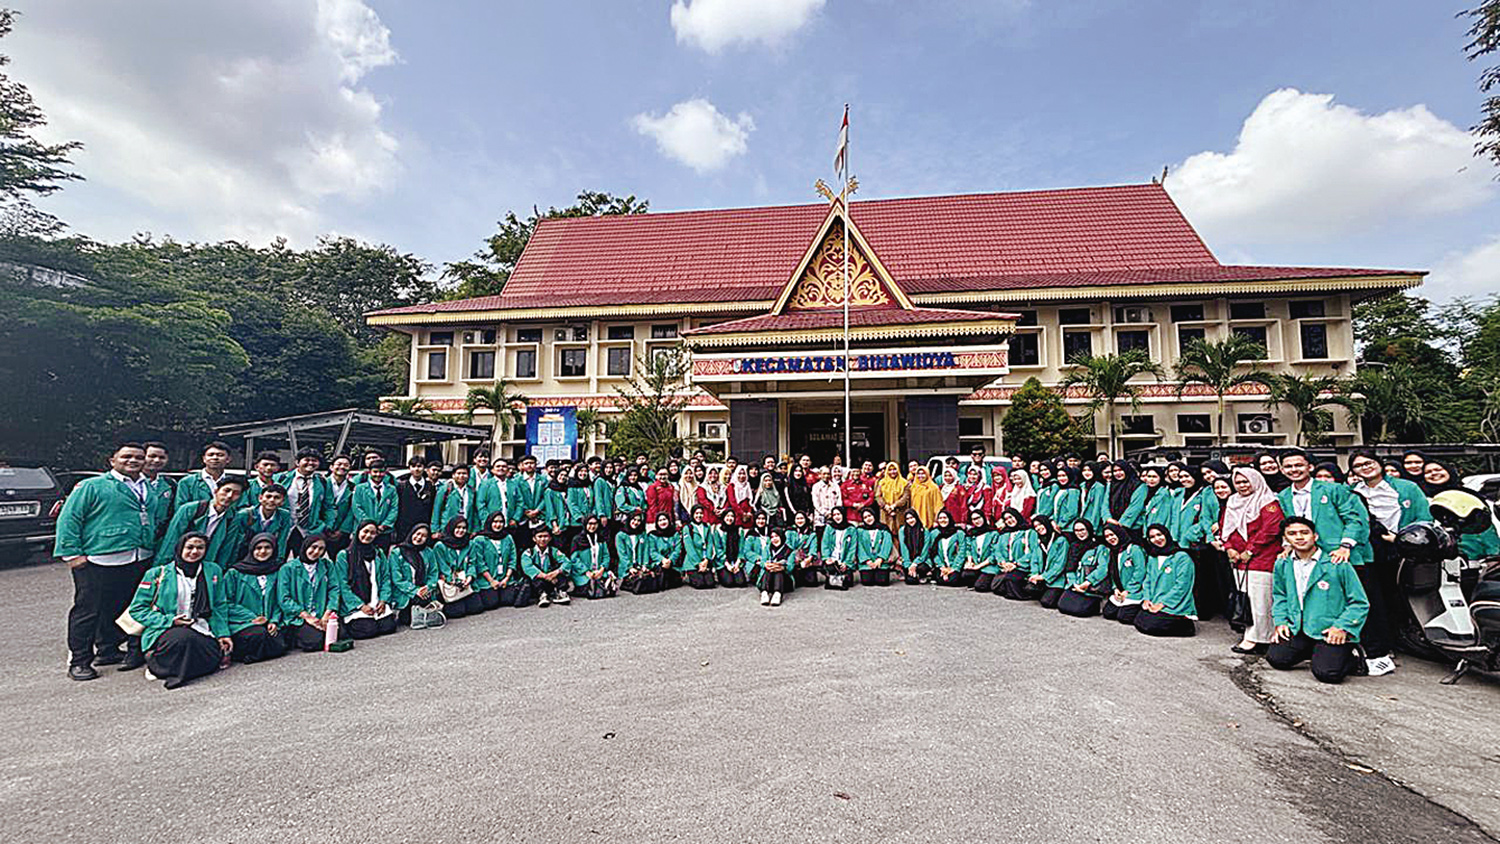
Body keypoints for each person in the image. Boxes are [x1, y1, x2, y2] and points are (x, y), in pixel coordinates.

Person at [54, 443, 160, 680]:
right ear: (112, 460)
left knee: (119, 607)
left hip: (137, 556)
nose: (133, 461)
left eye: (139, 457)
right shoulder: (92, 486)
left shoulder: (147, 487)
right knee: (88, 610)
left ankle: (108, 649)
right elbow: (70, 518)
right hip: (98, 558)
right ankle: (79, 660)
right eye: (127, 456)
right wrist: (71, 553)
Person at [1348, 448, 1431, 675]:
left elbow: (1424, 517)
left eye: (1369, 463)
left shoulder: (1406, 487)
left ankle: (1403, 639)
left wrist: (1402, 538)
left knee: (1398, 596)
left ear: (1379, 463)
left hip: (1400, 547)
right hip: (1368, 550)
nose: (1365, 468)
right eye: (1358, 465)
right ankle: (1384, 644)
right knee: (1375, 597)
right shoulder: (1352, 492)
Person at [1267, 517, 1370, 684]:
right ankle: (1317, 652)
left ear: (1315, 536)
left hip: (1330, 629)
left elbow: (1359, 603)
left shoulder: (1337, 563)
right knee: (1277, 658)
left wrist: (1342, 627)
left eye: (1304, 533)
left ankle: (1351, 656)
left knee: (1328, 674)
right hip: (1300, 627)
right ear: (1285, 539)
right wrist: (1281, 622)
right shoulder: (1283, 563)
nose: (1299, 537)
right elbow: (1280, 595)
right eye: (1292, 534)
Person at [125, 532, 233, 689]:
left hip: (201, 626)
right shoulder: (157, 574)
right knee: (183, 638)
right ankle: (164, 667)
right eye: (189, 547)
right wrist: (170, 621)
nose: (194, 551)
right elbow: (137, 609)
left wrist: (223, 634)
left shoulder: (213, 570)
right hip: (165, 629)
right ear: (180, 548)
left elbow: (219, 605)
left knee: (212, 653)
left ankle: (172, 667)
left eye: (200, 548)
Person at [1219, 468, 1284, 654]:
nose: (1242, 486)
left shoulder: (1268, 501)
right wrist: (1229, 547)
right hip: (1238, 558)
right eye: (1238, 483)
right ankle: (1251, 633)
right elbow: (1225, 526)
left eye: (1246, 481)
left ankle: (1258, 638)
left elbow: (1271, 529)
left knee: (1260, 599)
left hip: (1261, 558)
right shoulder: (1233, 501)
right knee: (1246, 598)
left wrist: (1250, 550)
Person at [221, 532, 288, 663]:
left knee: (280, 640)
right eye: (258, 548)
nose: (262, 552)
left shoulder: (277, 571)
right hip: (241, 622)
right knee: (259, 636)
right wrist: (251, 617)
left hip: (268, 621)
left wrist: (274, 620)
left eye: (267, 548)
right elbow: (225, 602)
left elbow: (279, 600)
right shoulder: (235, 573)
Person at [157, 474, 248, 570]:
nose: (229, 496)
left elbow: (226, 550)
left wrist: (218, 571)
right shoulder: (190, 510)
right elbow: (171, 540)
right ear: (216, 491)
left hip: (207, 566)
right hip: (180, 563)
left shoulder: (233, 518)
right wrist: (162, 569)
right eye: (226, 490)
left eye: (236, 493)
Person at [275, 533, 340, 652]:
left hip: (321, 613)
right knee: (315, 641)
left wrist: (328, 613)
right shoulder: (288, 568)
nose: (316, 552)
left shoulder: (327, 565)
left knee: (340, 634)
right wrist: (306, 616)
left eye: (321, 549)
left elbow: (334, 589)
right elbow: (284, 599)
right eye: (313, 547)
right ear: (305, 546)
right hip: (299, 617)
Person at [335, 521, 399, 638]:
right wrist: (361, 606)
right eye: (365, 531)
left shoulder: (378, 553)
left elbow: (385, 578)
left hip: (376, 601)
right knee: (368, 630)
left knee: (388, 626)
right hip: (356, 604)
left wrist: (383, 600)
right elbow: (343, 585)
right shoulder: (344, 555)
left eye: (372, 533)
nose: (368, 535)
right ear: (358, 532)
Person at [1135, 524, 1197, 638]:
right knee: (1139, 620)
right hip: (1155, 601)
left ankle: (1186, 625)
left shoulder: (1182, 557)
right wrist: (1147, 599)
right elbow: (1147, 580)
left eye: (1159, 535)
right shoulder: (1152, 557)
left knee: (1151, 624)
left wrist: (1162, 604)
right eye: (1152, 537)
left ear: (1166, 535)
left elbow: (1182, 586)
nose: (1157, 539)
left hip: (1174, 603)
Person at [279, 448, 333, 555]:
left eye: (314, 460)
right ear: (297, 462)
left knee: (304, 560)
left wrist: (327, 526)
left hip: (308, 530)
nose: (311, 463)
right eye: (307, 460)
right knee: (279, 558)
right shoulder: (282, 478)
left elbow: (329, 506)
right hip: (285, 527)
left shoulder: (323, 482)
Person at [390, 524, 446, 621]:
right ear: (412, 533)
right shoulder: (397, 552)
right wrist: (416, 591)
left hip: (425, 592)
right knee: (408, 619)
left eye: (424, 536)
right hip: (407, 593)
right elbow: (397, 579)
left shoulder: (429, 552)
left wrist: (428, 587)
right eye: (417, 534)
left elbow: (433, 573)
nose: (419, 537)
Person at [431, 517, 483, 617]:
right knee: (457, 612)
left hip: (466, 580)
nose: (461, 530)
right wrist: (454, 580)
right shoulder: (440, 546)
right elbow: (443, 567)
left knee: (476, 608)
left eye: (464, 528)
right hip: (450, 581)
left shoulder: (470, 543)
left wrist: (470, 577)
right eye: (458, 527)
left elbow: (472, 563)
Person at [1057, 520, 1108, 617]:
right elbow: (1069, 568)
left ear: (1089, 530)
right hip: (1076, 586)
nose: (1080, 533)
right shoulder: (1074, 546)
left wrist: (1087, 582)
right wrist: (1074, 584)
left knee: (1081, 610)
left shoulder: (1100, 548)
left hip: (1091, 587)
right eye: (1076, 530)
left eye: (1082, 530)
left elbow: (1102, 569)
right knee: (1062, 606)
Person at [1100, 523, 1147, 625]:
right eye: (1107, 536)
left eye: (1112, 535)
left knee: (1124, 617)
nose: (1110, 538)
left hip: (1134, 590)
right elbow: (1113, 573)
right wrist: (1115, 588)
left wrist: (1128, 590)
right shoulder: (1113, 551)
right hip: (1120, 590)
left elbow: (1140, 572)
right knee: (1108, 613)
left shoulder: (1134, 549)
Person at [1000, 515, 1054, 602]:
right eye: (1036, 526)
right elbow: (1034, 559)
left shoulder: (1059, 540)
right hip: (1026, 568)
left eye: (1040, 524)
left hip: (1043, 573)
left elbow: (1058, 565)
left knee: (1047, 601)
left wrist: (1042, 576)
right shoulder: (1004, 534)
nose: (1038, 528)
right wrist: (1004, 563)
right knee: (1003, 586)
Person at [477, 510, 523, 608]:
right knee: (491, 603)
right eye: (495, 522)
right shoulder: (480, 539)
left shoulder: (508, 537)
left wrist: (507, 578)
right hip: (487, 580)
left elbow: (513, 559)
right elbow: (480, 563)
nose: (498, 525)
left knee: (509, 600)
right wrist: (491, 581)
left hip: (505, 578)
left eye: (501, 522)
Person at [238, 482, 292, 563]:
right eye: (268, 496)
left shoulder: (284, 515)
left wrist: (279, 561)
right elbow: (237, 541)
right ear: (260, 498)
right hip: (245, 555)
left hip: (269, 555)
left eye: (277, 497)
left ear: (282, 501)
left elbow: (282, 541)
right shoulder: (245, 514)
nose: (272, 500)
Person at [520, 525, 572, 607]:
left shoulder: (554, 551)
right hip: (538, 583)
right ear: (534, 539)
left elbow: (567, 562)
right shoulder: (528, 552)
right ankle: (542, 595)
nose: (543, 539)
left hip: (552, 580)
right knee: (534, 578)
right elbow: (527, 567)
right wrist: (545, 576)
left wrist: (556, 572)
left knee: (561, 574)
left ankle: (561, 593)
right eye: (540, 536)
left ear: (550, 538)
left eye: (545, 536)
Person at [174, 441, 235, 508]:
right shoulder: (187, 482)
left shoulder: (235, 484)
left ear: (228, 459)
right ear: (204, 459)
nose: (215, 458)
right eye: (210, 455)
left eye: (220, 455)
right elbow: (180, 509)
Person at [569, 515, 618, 599]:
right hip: (583, 573)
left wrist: (602, 569)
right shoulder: (577, 539)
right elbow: (574, 559)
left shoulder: (601, 538)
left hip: (599, 571)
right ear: (585, 524)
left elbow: (606, 556)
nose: (592, 526)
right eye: (590, 524)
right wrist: (586, 571)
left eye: (595, 524)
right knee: (588, 586)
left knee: (606, 583)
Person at [352, 460, 398, 548]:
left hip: (384, 532)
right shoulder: (360, 488)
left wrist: (384, 525)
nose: (378, 474)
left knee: (381, 554)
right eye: (375, 472)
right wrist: (370, 525)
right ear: (369, 472)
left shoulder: (391, 489)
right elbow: (356, 508)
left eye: (381, 472)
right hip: (364, 531)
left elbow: (394, 509)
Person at [140, 441, 176, 545]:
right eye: (152, 456)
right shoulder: (129, 483)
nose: (156, 460)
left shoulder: (170, 484)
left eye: (162, 457)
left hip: (159, 540)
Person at [924, 509, 971, 587]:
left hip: (955, 565)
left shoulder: (959, 533)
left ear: (949, 519)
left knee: (953, 581)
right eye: (940, 518)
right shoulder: (934, 533)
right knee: (940, 580)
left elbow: (961, 552)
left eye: (945, 518)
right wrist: (942, 567)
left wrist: (952, 569)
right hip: (941, 565)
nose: (943, 520)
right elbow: (933, 553)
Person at [395, 457, 438, 542]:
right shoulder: (401, 486)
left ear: (424, 468)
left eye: (419, 466)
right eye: (413, 466)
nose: (416, 469)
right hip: (404, 528)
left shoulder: (430, 487)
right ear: (409, 468)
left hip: (424, 527)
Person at [615, 512, 656, 595]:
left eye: (638, 520)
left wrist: (644, 565)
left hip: (639, 565)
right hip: (627, 568)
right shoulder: (620, 535)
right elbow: (622, 555)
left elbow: (645, 551)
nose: (636, 522)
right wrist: (629, 567)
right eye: (634, 520)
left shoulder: (642, 534)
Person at [433, 464, 480, 535]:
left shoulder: (471, 491)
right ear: (453, 475)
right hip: (447, 528)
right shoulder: (445, 489)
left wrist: (475, 530)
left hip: (465, 529)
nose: (461, 476)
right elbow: (437, 509)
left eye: (464, 473)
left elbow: (474, 512)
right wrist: (435, 530)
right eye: (459, 473)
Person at [854, 506, 896, 586]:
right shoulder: (860, 530)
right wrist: (867, 561)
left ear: (874, 516)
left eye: (869, 516)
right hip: (866, 563)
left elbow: (887, 544)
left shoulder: (883, 528)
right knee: (867, 582)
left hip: (881, 562)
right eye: (865, 517)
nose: (868, 519)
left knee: (882, 582)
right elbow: (859, 546)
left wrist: (880, 559)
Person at [324, 455, 356, 556]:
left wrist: (343, 530)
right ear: (331, 467)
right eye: (339, 464)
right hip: (321, 529)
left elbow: (352, 510)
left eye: (346, 465)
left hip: (342, 532)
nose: (342, 467)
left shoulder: (352, 486)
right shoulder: (322, 483)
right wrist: (325, 527)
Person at [966, 510, 1004, 593]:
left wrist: (979, 566)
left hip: (989, 565)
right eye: (974, 519)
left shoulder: (993, 533)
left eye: (978, 518)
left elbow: (994, 554)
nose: (977, 521)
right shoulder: (971, 534)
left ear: (983, 518)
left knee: (980, 586)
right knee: (965, 575)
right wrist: (970, 561)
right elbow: (968, 549)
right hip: (976, 563)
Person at [819, 507, 856, 587]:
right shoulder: (829, 528)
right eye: (834, 515)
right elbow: (825, 544)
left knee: (848, 582)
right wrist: (827, 558)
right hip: (832, 560)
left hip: (844, 560)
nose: (836, 517)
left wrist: (846, 563)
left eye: (838, 514)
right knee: (832, 574)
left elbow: (852, 548)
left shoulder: (851, 529)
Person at [644, 513, 681, 590]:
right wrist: (663, 560)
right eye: (660, 520)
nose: (663, 522)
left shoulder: (675, 534)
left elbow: (677, 550)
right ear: (657, 523)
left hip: (672, 563)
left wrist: (669, 560)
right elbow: (652, 552)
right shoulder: (652, 535)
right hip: (658, 563)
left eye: (664, 519)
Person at [1105, 461, 1145, 531]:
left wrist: (1121, 524)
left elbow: (1135, 507)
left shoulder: (1139, 485)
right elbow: (1105, 503)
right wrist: (1108, 518)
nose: (1118, 473)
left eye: (1120, 470)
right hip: (1111, 526)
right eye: (1115, 471)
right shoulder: (1111, 485)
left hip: (1132, 527)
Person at [786, 511, 823, 587]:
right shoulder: (789, 532)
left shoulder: (812, 534)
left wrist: (808, 559)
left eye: (802, 518)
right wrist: (796, 558)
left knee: (811, 582)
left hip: (805, 560)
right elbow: (788, 546)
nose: (800, 521)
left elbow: (813, 549)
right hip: (792, 559)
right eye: (797, 519)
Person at [895, 508, 930, 584]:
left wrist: (915, 563)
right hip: (908, 561)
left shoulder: (924, 531)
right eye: (907, 519)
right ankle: (913, 574)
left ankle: (922, 575)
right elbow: (904, 549)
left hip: (922, 560)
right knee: (911, 581)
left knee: (922, 568)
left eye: (912, 518)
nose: (910, 520)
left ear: (916, 517)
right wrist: (909, 565)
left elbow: (925, 550)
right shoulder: (902, 530)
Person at [758, 530, 793, 606]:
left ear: (781, 537)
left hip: (784, 580)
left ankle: (777, 594)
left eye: (776, 536)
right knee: (768, 570)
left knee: (778, 571)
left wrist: (781, 567)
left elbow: (790, 566)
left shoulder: (789, 550)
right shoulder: (767, 548)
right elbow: (762, 561)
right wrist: (767, 565)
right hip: (768, 577)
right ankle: (764, 593)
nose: (774, 539)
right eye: (772, 537)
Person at [812, 467, 843, 531]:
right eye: (824, 474)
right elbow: (816, 503)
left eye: (828, 474)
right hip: (820, 517)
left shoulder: (835, 486)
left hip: (834, 516)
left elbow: (839, 500)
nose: (826, 476)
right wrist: (825, 513)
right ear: (820, 475)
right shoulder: (816, 487)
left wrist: (834, 512)